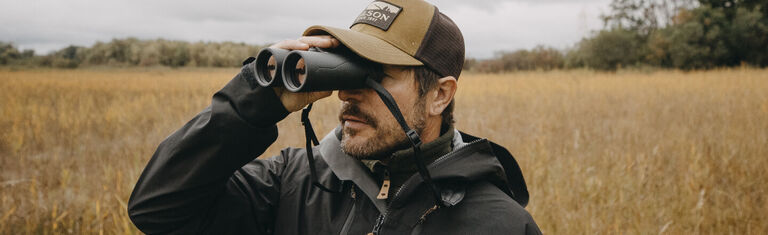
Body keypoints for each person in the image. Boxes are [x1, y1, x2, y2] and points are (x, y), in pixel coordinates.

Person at [127, 0, 541, 234]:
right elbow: (158, 209)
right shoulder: (293, 182)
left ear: (439, 95)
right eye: (348, 70)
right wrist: (257, 97)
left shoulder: (500, 225)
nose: (346, 92)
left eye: (375, 75)